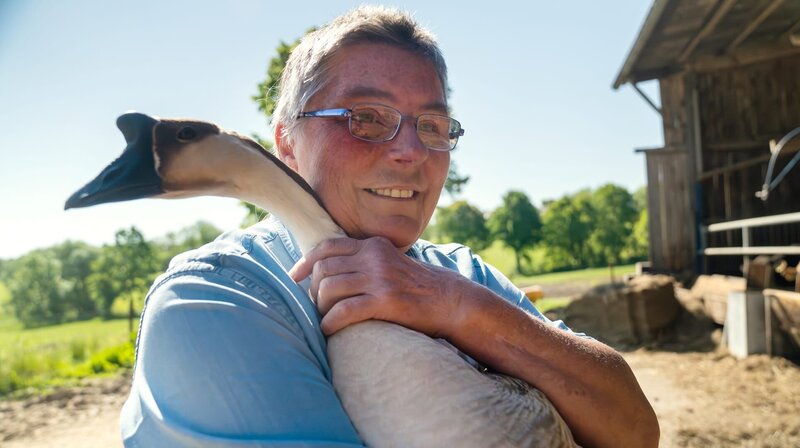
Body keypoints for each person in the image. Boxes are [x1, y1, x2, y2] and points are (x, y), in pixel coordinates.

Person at [120, 6, 659, 447]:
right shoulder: (216, 302)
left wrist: (456, 305)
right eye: (367, 118)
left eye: (434, 125)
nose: (411, 151)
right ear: (286, 143)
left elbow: (635, 432)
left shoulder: (459, 272)